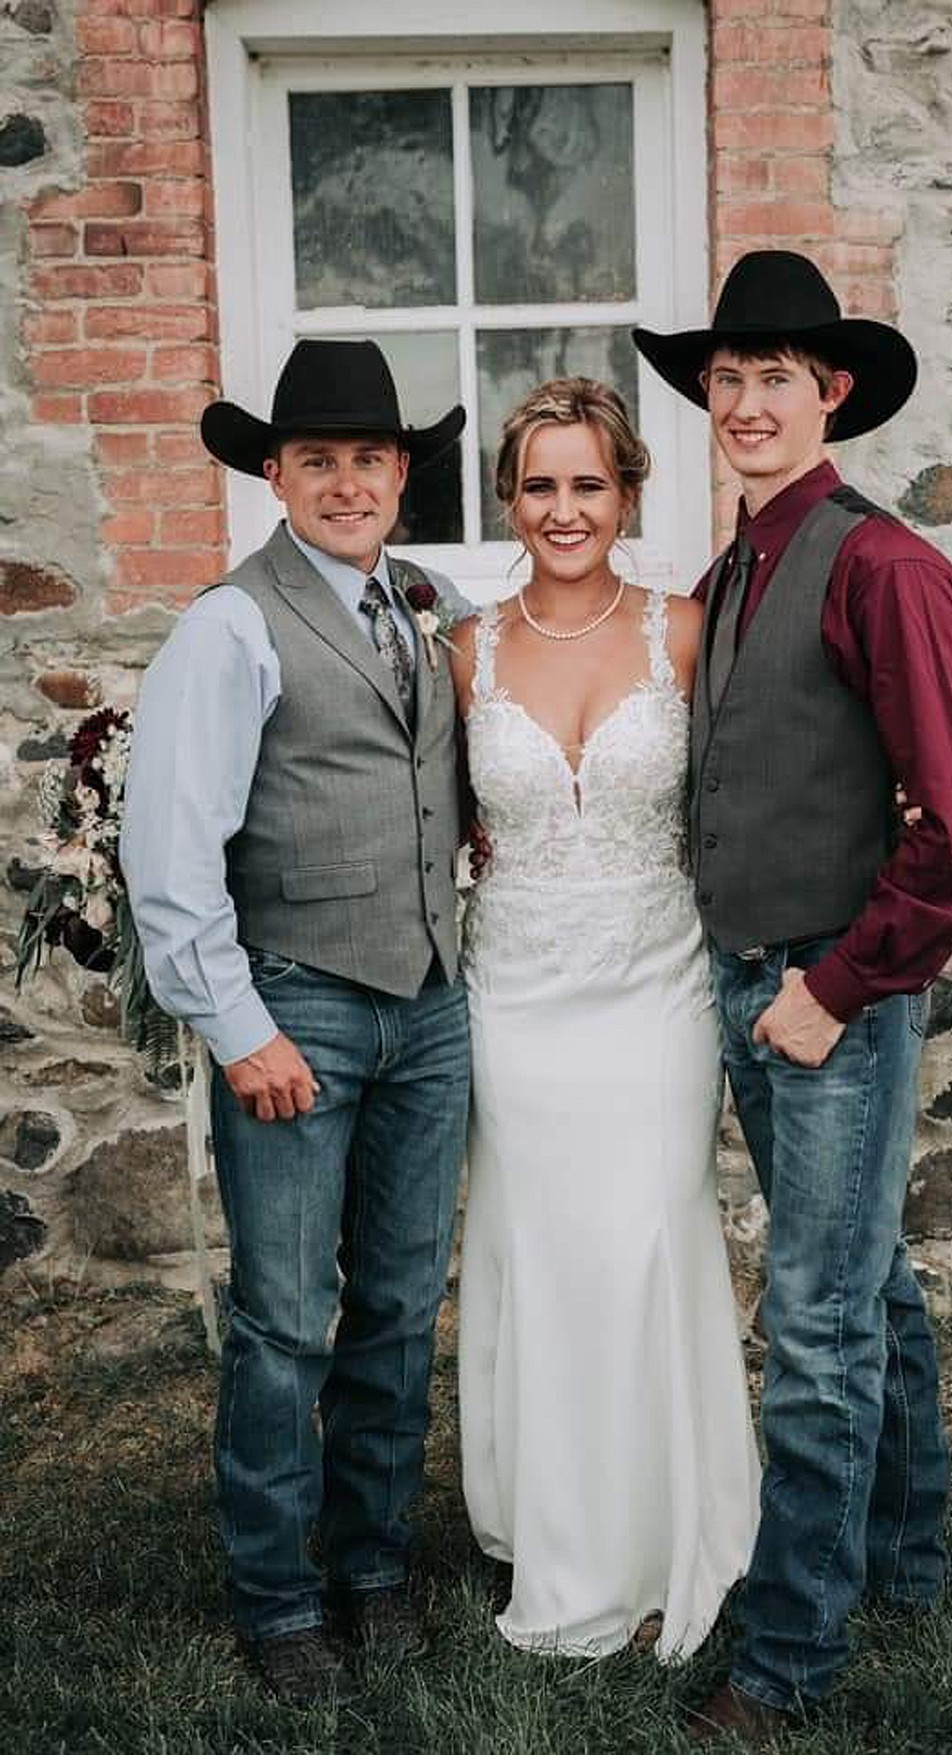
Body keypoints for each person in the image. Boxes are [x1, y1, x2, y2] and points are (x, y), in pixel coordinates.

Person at [633, 251, 952, 1741]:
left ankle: (787, 1659)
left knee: (814, 1321)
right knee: (866, 1284)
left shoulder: (881, 563)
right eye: (724, 379)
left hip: (827, 1001)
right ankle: (901, 1561)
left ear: (829, 392)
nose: (743, 401)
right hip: (744, 985)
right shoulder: (736, 567)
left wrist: (836, 988)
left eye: (772, 377)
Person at [121, 339, 472, 1705]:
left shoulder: (421, 604)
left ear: (399, 474)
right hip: (297, 1011)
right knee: (286, 1319)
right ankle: (277, 1596)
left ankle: (373, 1563)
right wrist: (238, 1024)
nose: (345, 480)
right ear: (273, 473)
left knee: (394, 1306)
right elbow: (171, 851)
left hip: (429, 1007)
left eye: (368, 458)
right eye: (317, 458)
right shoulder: (229, 625)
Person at [451, 378, 761, 1662]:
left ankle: (664, 1536)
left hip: (653, 993)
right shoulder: (459, 651)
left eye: (589, 484)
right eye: (539, 486)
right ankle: (563, 1537)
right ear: (509, 502)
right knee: (545, 1257)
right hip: (516, 998)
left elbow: (755, 787)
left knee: (645, 1244)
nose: (564, 509)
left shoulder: (684, 634)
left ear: (628, 494)